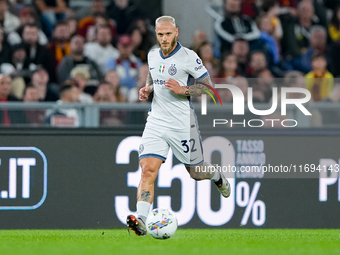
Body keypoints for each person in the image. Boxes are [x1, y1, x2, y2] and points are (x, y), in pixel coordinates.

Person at [126, 16, 231, 236]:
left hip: (182, 123)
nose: (164, 39)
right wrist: (148, 89)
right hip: (156, 121)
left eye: (168, 34)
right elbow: (154, 76)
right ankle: (141, 220)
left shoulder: (188, 57)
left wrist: (183, 90)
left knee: (196, 172)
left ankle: (216, 176)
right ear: (156, 34)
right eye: (160, 34)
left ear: (176, 32)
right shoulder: (153, 54)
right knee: (147, 171)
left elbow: (209, 88)